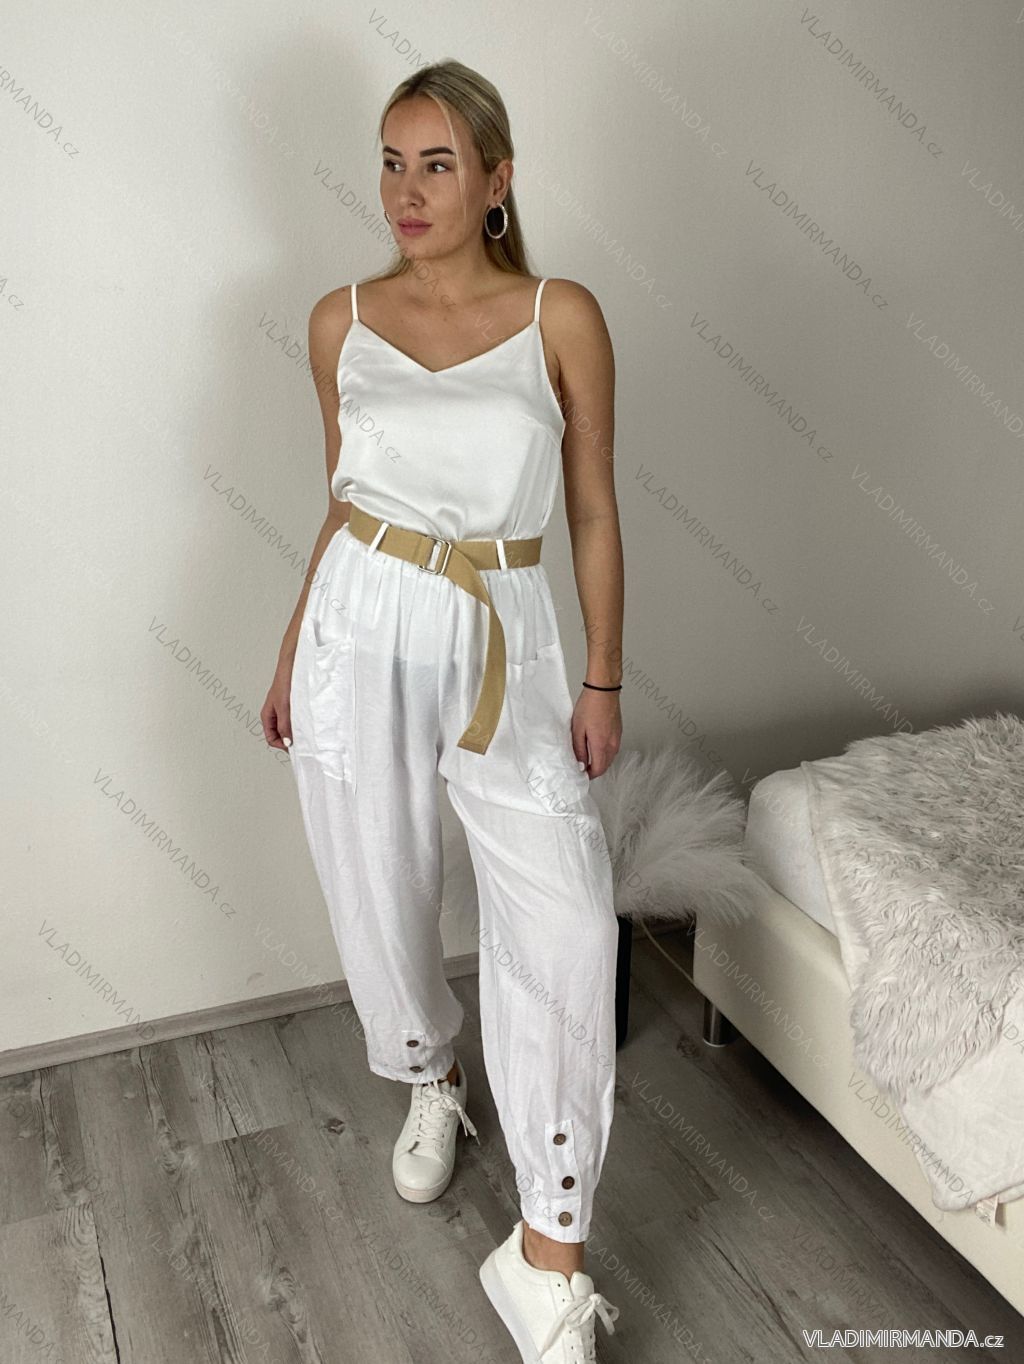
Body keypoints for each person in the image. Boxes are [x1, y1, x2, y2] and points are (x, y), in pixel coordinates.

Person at [261, 59, 624, 1362]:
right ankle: (431, 1073)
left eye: (438, 164)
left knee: (570, 921)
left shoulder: (559, 316)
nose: (406, 192)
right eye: (390, 161)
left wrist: (603, 676)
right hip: (357, 627)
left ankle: (548, 1246)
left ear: (497, 179)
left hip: (504, 640)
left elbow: (592, 510)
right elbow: (344, 503)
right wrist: (295, 648)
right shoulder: (339, 321)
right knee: (381, 887)